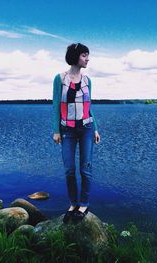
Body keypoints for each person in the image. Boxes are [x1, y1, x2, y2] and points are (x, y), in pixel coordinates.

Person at [52, 42, 101, 223]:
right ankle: (73, 203)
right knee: (69, 170)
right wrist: (56, 130)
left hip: (87, 128)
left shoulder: (88, 80)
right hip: (67, 130)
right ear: (75, 56)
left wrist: (95, 128)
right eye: (84, 55)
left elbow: (89, 107)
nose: (87, 58)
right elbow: (56, 105)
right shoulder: (60, 78)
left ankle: (84, 204)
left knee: (85, 169)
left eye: (87, 55)